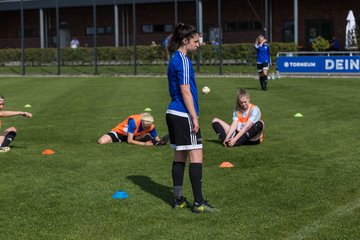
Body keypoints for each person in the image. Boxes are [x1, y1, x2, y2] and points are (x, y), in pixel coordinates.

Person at [166, 23, 218, 213]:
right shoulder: (184, 60)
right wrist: (194, 117)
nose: (198, 44)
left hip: (173, 112)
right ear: (185, 40)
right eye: (195, 41)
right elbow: (185, 91)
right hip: (183, 114)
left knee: (180, 156)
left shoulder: (173, 59)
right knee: (196, 155)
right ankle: (199, 203)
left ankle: (178, 199)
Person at [97, 112, 169, 146]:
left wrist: (160, 141)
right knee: (101, 141)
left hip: (134, 136)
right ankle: (150, 140)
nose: (147, 127)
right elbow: (129, 141)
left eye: (148, 126)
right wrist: (144, 144)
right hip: (119, 133)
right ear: (142, 121)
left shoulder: (150, 125)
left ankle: (153, 142)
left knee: (146, 135)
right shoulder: (134, 121)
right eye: (145, 125)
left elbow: (157, 137)